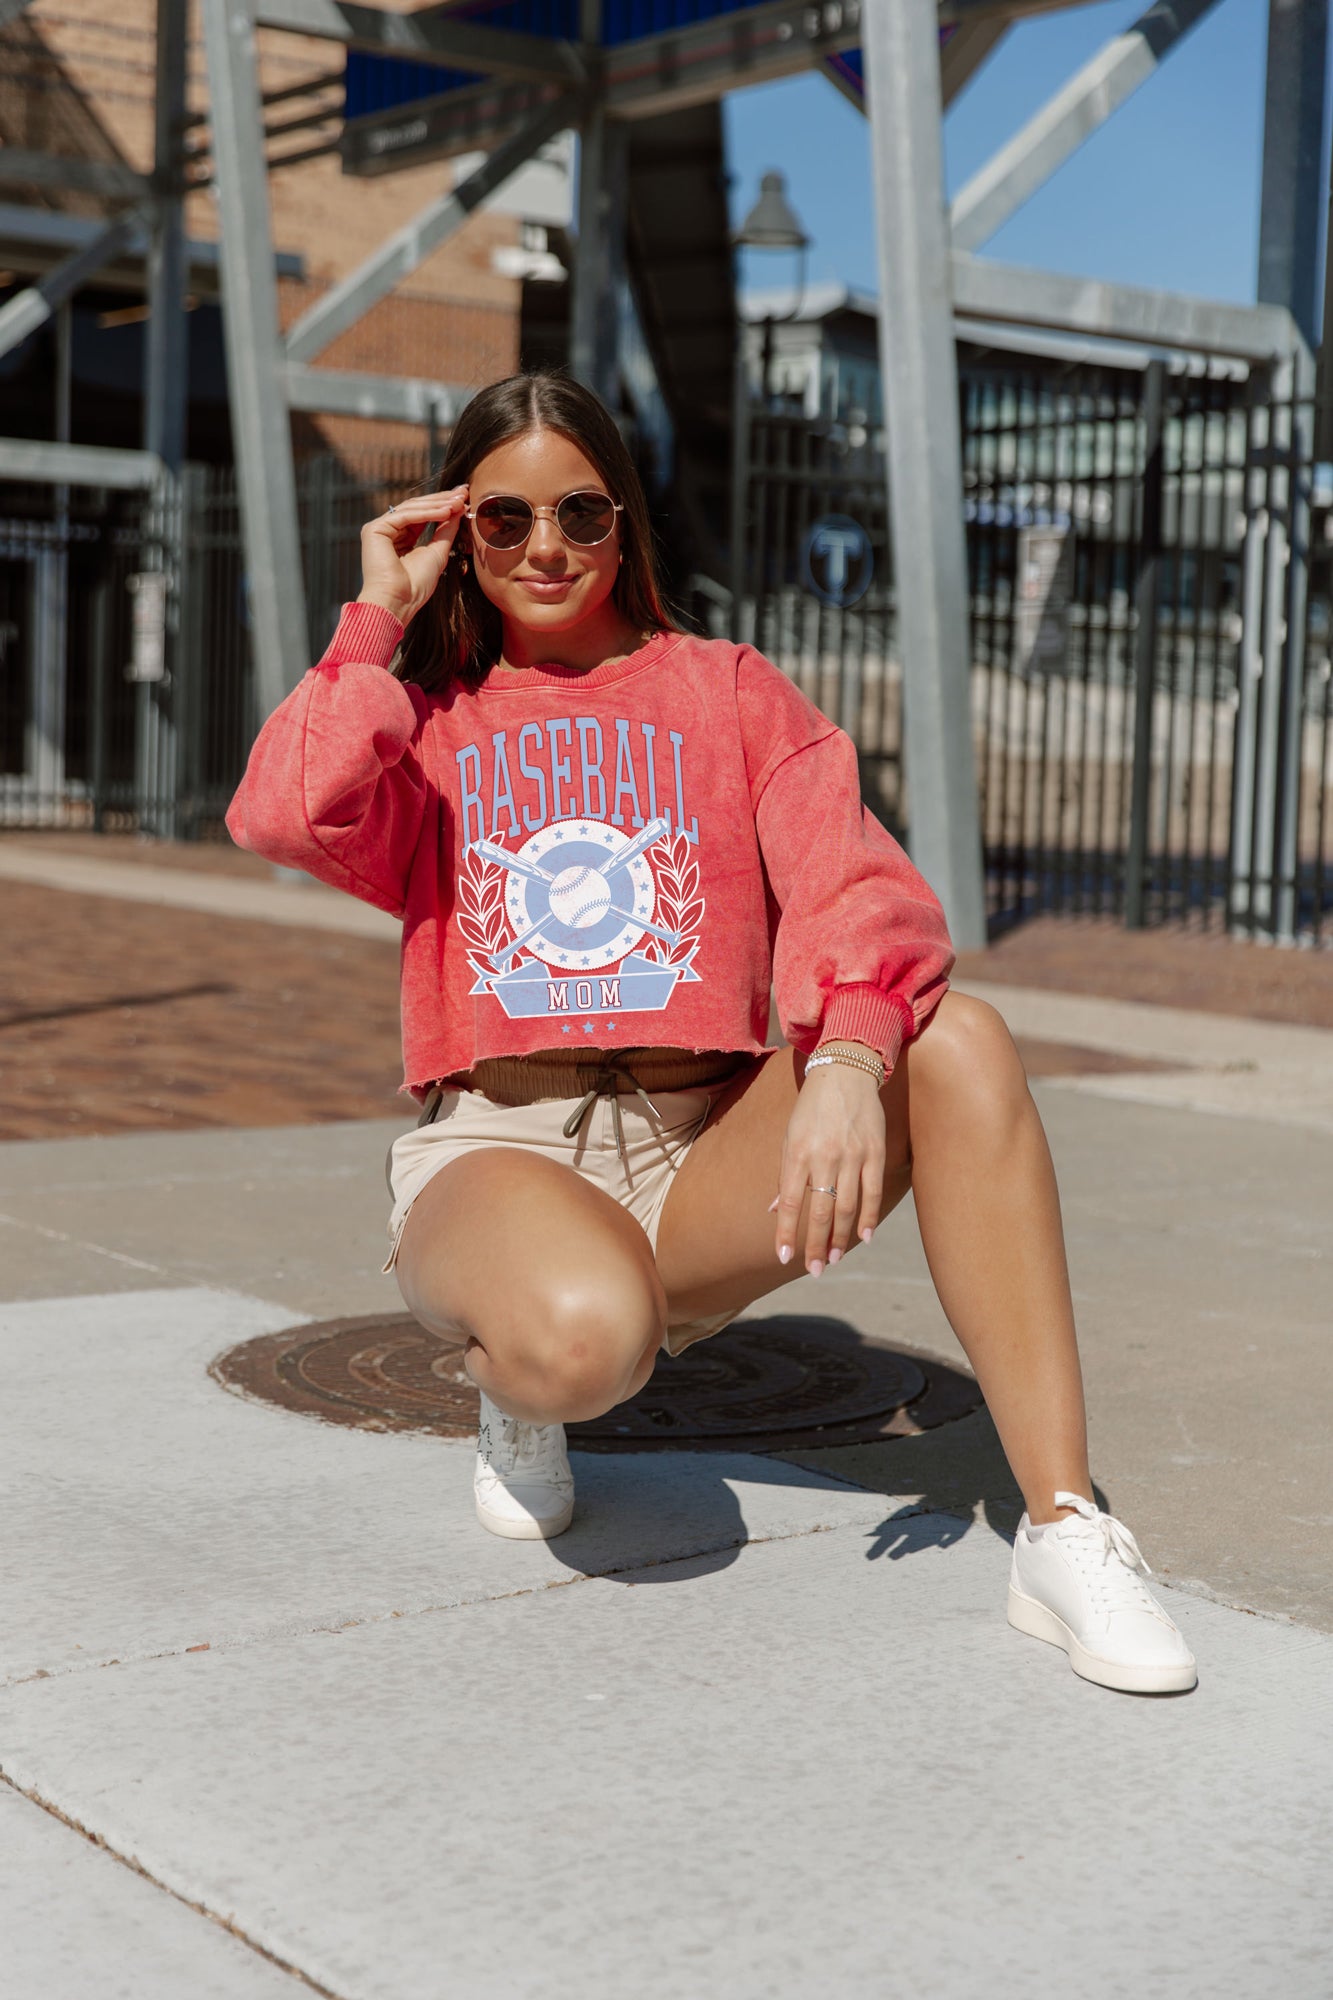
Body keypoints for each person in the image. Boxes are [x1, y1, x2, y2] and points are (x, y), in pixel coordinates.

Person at [226, 370, 1196, 1697]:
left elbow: (859, 887)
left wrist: (847, 1057)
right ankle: (520, 1380)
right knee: (581, 1342)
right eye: (503, 519)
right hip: (501, 1145)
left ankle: (1064, 1528)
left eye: (579, 511)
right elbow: (281, 812)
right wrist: (371, 622)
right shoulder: (433, 721)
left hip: (704, 1148)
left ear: (624, 519)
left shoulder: (727, 690)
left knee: (956, 1042)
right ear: (459, 533)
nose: (546, 546)